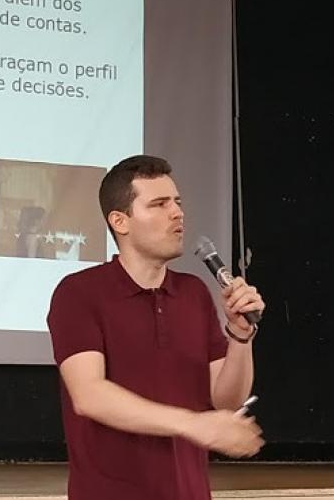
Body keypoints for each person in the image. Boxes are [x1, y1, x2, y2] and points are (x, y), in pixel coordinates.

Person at [47, 155, 265, 500]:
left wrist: (240, 335)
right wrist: (194, 424)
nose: (177, 213)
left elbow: (227, 401)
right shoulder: (79, 293)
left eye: (177, 202)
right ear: (120, 221)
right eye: (159, 204)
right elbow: (89, 396)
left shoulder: (194, 293)